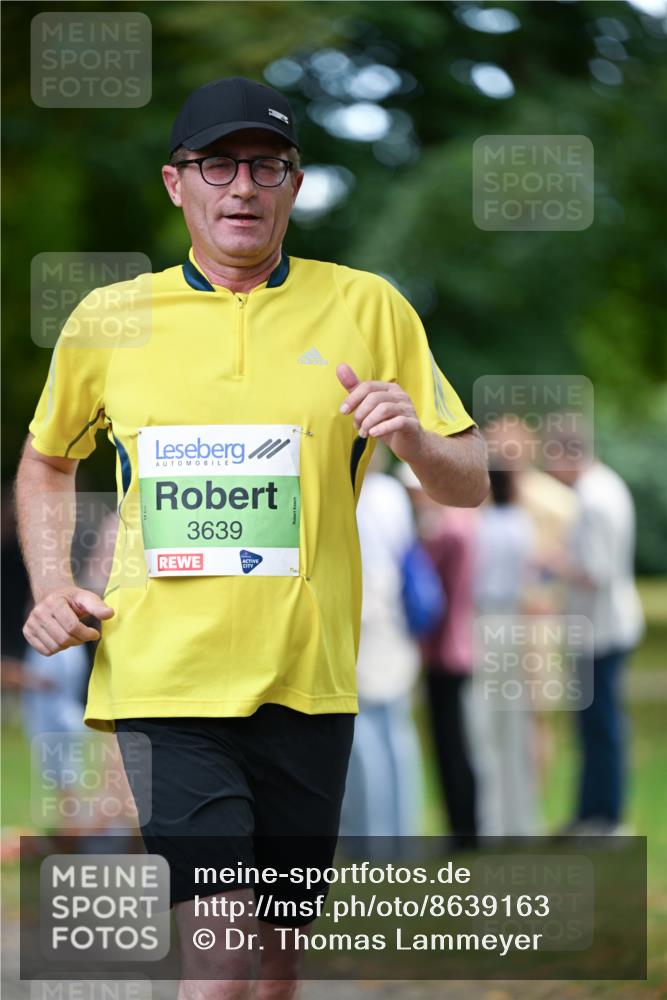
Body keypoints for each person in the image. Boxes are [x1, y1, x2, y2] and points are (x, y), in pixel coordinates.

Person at [16, 76, 489, 999]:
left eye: (265, 166)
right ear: (174, 183)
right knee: (222, 954)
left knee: (275, 965)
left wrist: (412, 438)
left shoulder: (368, 308)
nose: (242, 187)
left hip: (306, 681)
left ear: (295, 183)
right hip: (165, 680)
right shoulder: (111, 320)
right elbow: (45, 461)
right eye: (218, 165)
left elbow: (467, 482)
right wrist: (48, 583)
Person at [545, 427, 644, 834]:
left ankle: (606, 817)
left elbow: (595, 572)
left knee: (600, 726)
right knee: (593, 725)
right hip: (605, 624)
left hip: (602, 629)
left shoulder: (593, 497)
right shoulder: (607, 486)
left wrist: (553, 561)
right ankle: (591, 812)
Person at [338, 444, 424, 861]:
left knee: (365, 740)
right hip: (396, 625)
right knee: (398, 736)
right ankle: (401, 836)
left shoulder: (356, 497)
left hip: (364, 623)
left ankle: (372, 843)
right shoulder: (393, 494)